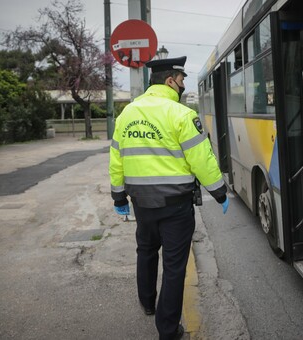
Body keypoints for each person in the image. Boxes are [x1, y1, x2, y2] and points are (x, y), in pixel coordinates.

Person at [109, 56, 229, 340]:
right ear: (170, 80)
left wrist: (118, 197)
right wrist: (220, 191)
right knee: (175, 267)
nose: (184, 85)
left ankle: (148, 303)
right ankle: (167, 331)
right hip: (175, 205)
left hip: (142, 203)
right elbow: (202, 160)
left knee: (146, 251)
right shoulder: (181, 115)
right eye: (182, 79)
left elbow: (117, 159)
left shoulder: (127, 113)